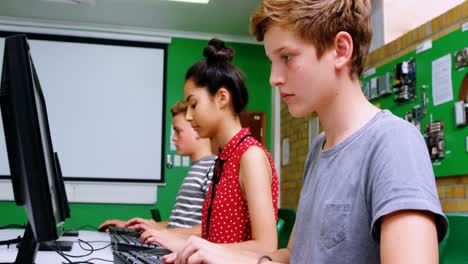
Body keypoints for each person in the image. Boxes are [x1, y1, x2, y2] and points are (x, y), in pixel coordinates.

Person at [169, 0, 449, 263]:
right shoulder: (319, 149)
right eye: (272, 61)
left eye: (287, 57)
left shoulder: (394, 143)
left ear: (340, 50)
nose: (274, 78)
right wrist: (225, 255)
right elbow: (294, 255)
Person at [139, 39, 280, 261]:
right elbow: (216, 239)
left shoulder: (250, 156)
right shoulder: (222, 159)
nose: (188, 116)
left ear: (222, 98)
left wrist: (193, 246)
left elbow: (266, 246)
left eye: (193, 104)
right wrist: (177, 242)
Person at [99, 100, 216, 234]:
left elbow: (212, 230)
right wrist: (135, 227)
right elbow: (180, 225)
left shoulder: (212, 168)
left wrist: (162, 233)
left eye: (178, 131)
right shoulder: (198, 168)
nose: (173, 138)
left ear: (196, 129)